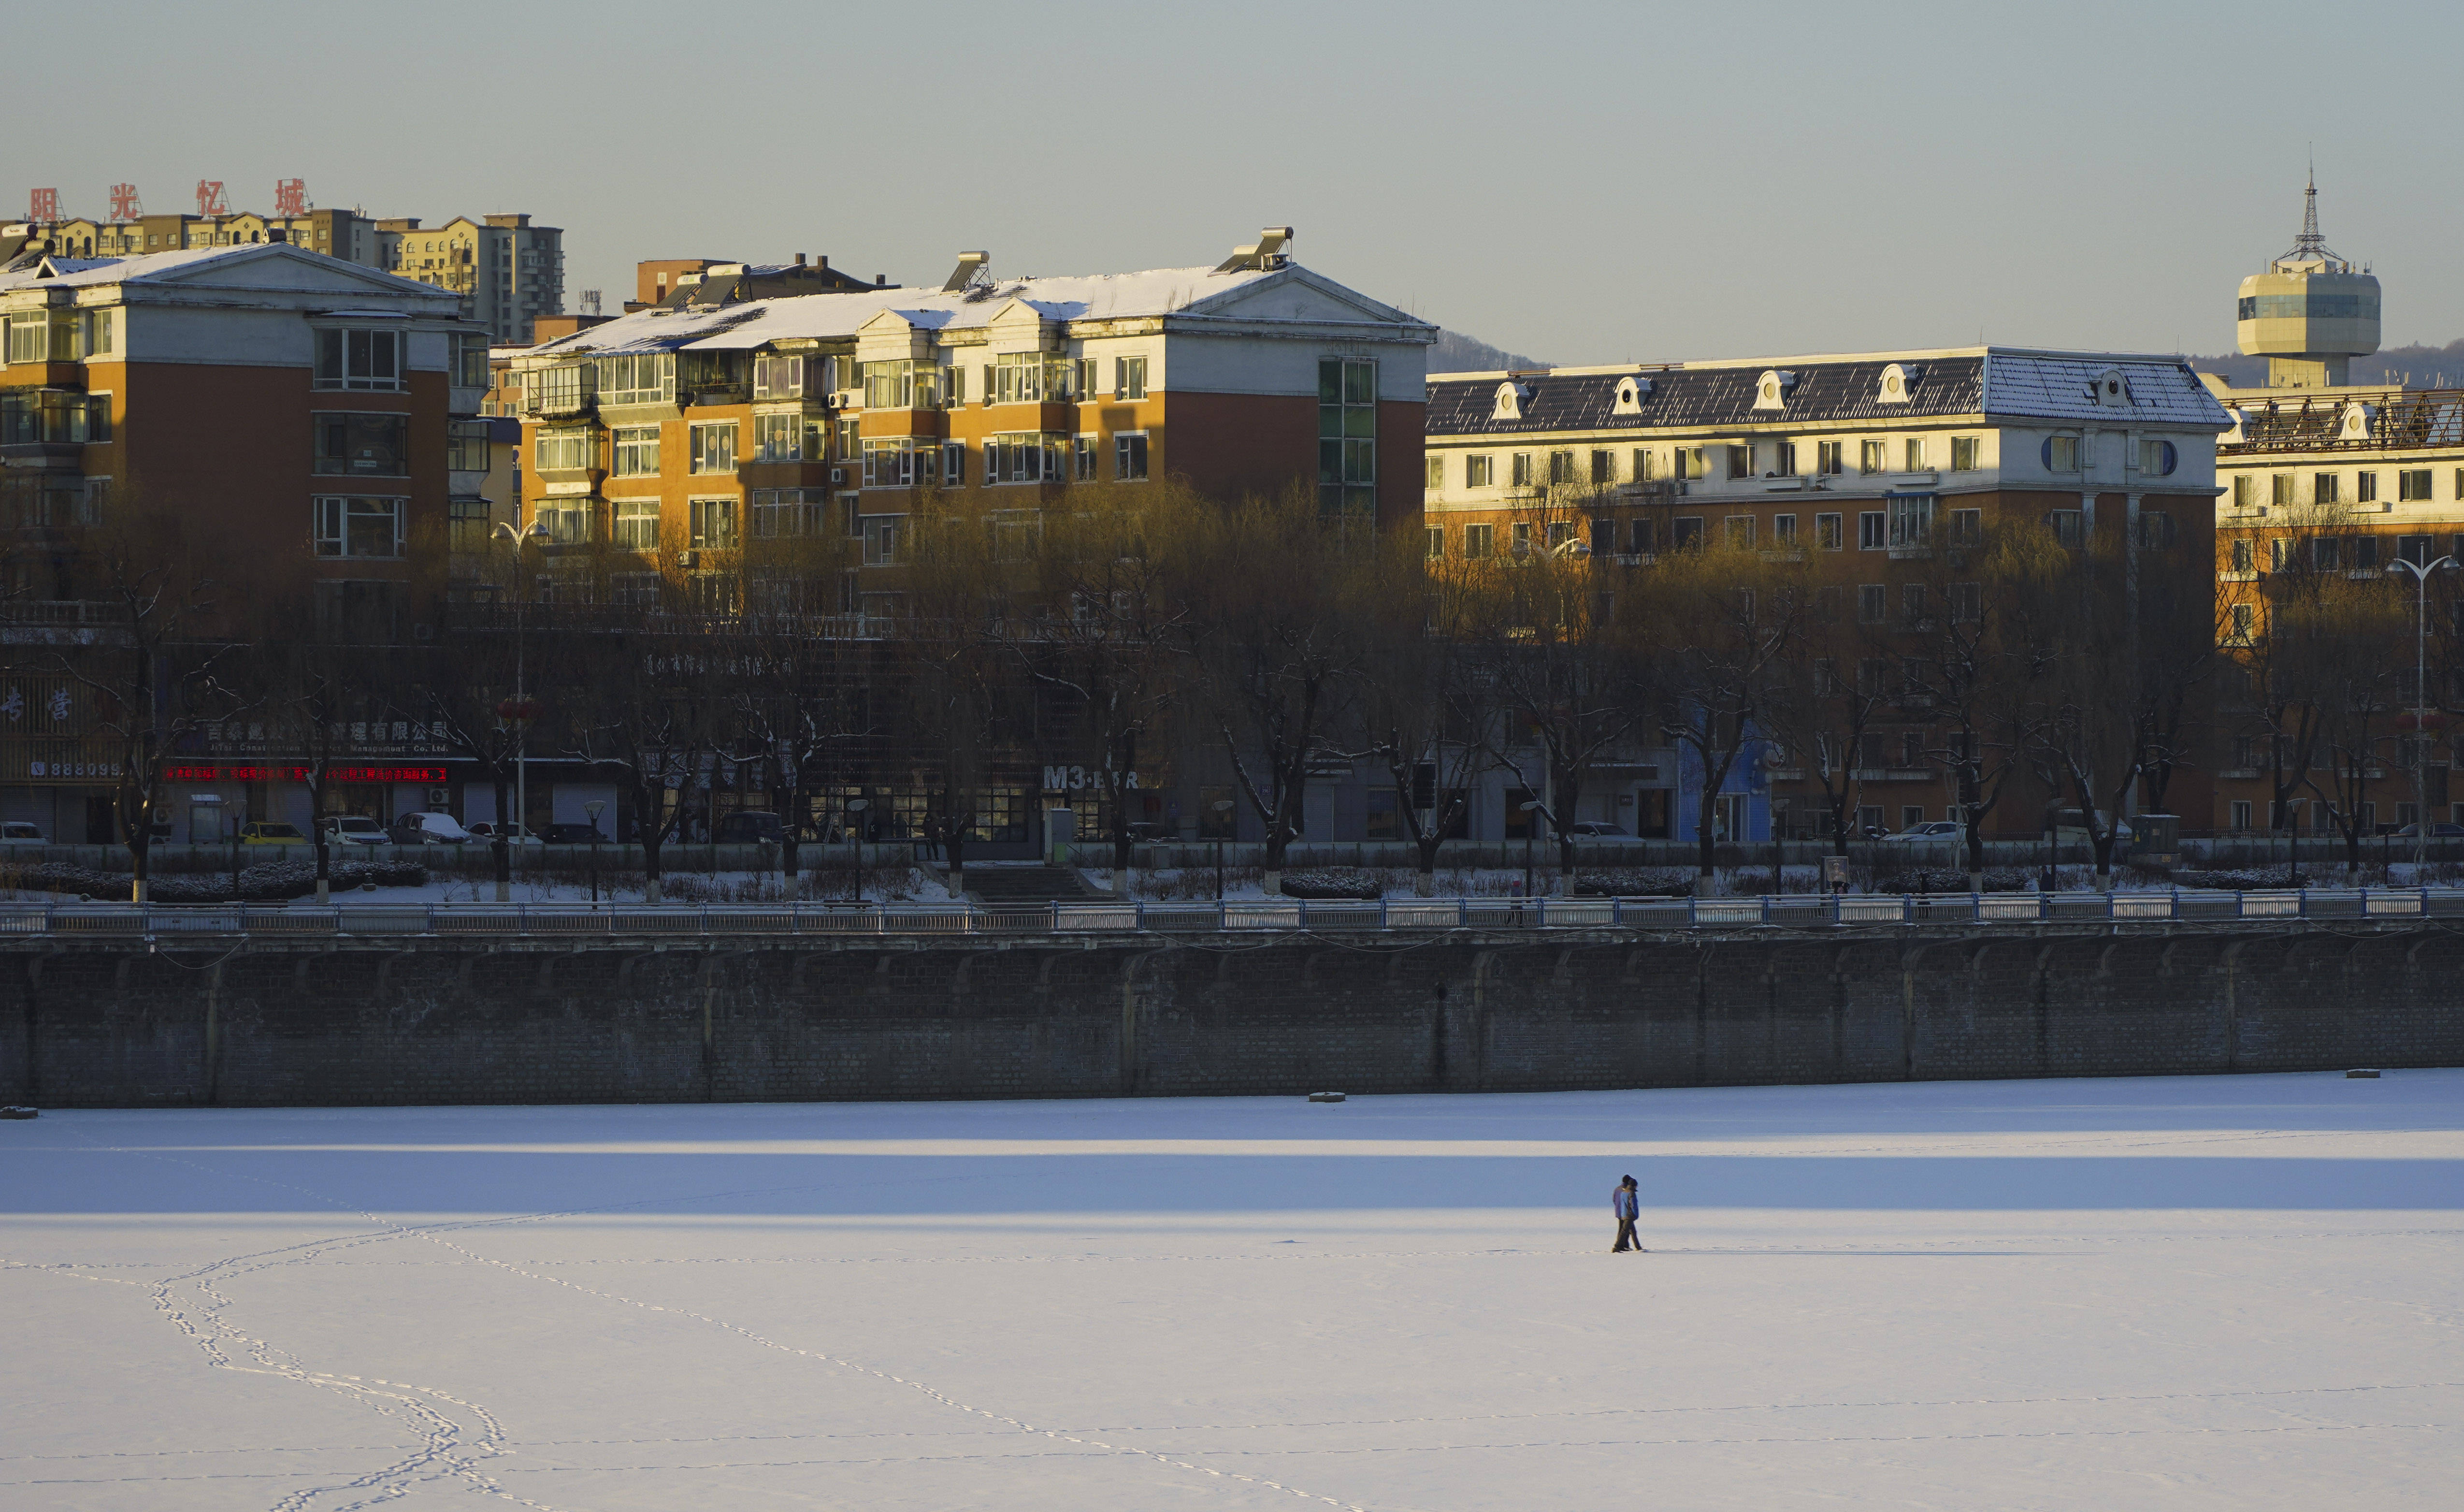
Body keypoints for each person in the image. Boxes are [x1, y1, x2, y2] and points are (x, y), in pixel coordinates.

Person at [1612, 1174, 1643, 1253]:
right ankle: (1618, 1247)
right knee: (1624, 1231)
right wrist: (1635, 1215)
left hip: (1621, 1212)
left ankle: (1637, 1247)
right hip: (1628, 1214)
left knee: (1630, 1231)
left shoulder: (1618, 1190)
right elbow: (1633, 1205)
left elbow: (1615, 1200)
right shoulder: (1628, 1192)